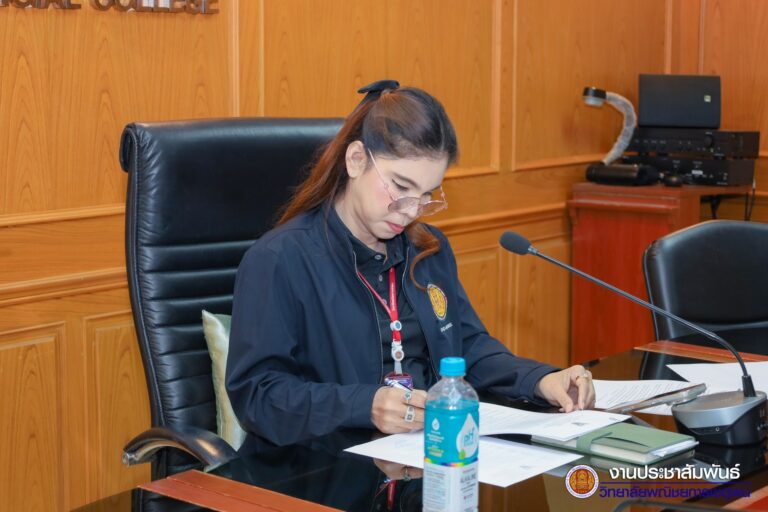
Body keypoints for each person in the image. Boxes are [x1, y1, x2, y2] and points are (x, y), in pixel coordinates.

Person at [226, 80, 596, 446]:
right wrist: (365, 406)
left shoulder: (427, 249)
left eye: (426, 195)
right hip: (324, 462)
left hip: (423, 452)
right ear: (356, 160)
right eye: (401, 188)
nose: (411, 210)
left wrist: (539, 379)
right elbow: (258, 396)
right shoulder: (280, 260)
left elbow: (466, 347)